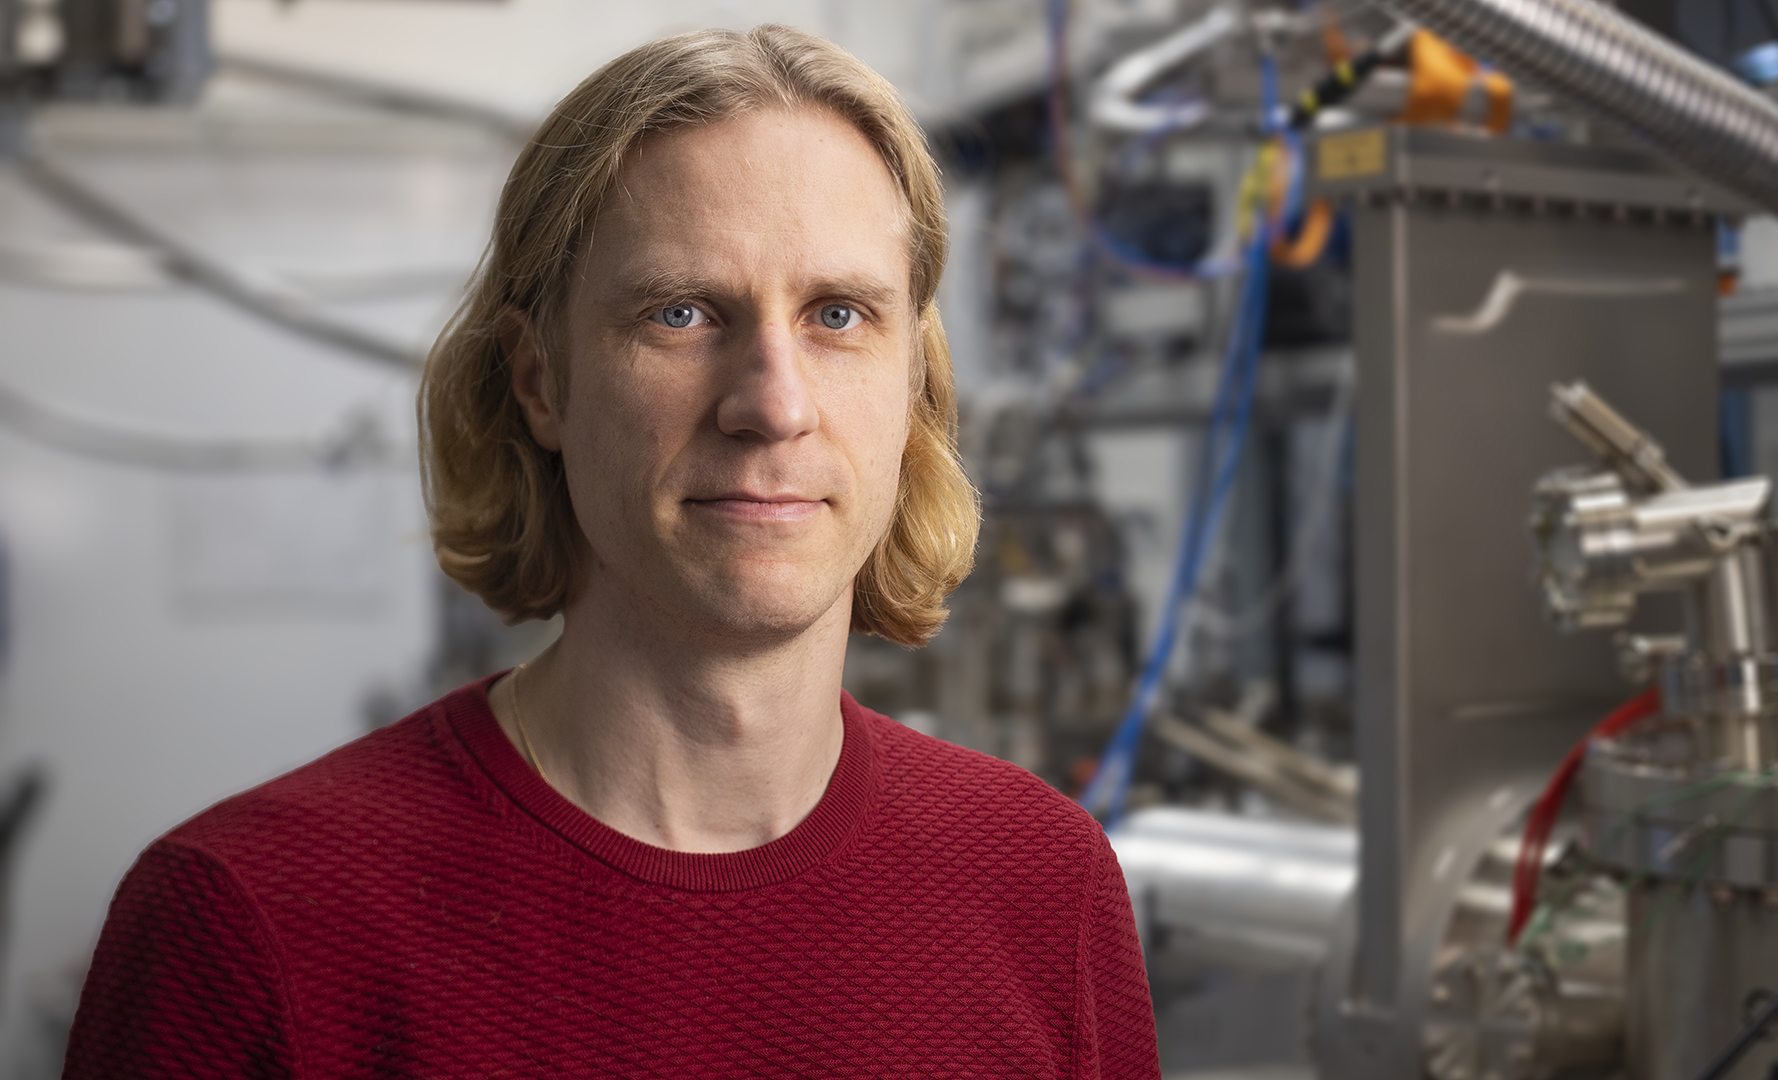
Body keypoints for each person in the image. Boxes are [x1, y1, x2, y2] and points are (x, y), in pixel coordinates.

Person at [61, 24, 1158, 1080]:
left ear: (911, 380)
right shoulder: (249, 924)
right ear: (540, 381)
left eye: (838, 315)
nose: (774, 404)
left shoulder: (1042, 886)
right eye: (681, 314)